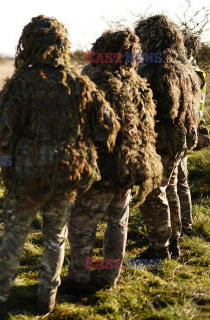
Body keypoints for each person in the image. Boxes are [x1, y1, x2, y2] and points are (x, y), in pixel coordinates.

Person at [0, 15, 119, 316]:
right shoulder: (80, 84)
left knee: (14, 233)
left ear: (28, 45)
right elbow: (107, 128)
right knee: (56, 236)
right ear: (63, 46)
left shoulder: (19, 84)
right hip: (67, 174)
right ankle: (46, 300)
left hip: (27, 176)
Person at [59, 29, 162, 294]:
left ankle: (79, 277)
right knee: (118, 222)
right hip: (130, 168)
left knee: (82, 222)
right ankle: (110, 277)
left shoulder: (93, 79)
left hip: (100, 170)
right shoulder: (138, 83)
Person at [135, 15, 201, 259]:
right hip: (180, 138)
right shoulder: (184, 66)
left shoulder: (158, 67)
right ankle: (174, 241)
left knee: (153, 191)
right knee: (170, 188)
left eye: (143, 37)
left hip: (162, 139)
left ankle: (158, 249)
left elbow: (162, 107)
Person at [179, 29, 210, 236]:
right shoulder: (197, 70)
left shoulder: (186, 72)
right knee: (181, 181)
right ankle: (184, 226)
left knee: (175, 182)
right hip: (188, 131)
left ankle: (178, 229)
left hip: (179, 131)